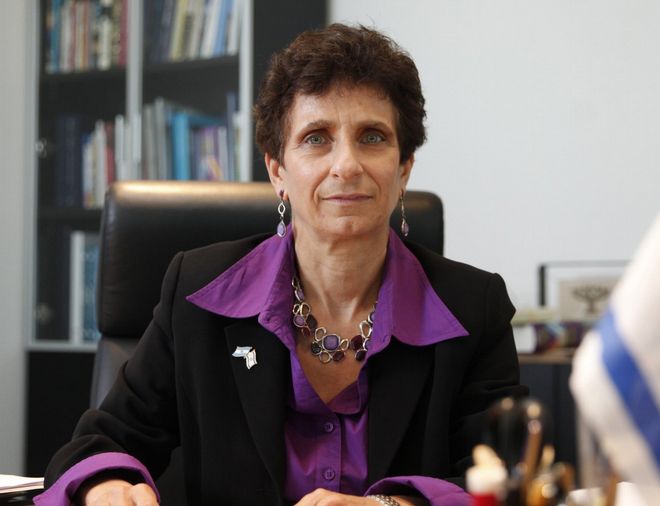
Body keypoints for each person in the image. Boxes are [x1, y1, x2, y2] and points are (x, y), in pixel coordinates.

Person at [36, 24, 526, 506]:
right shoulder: (199, 294)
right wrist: (107, 486)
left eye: (372, 136)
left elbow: (506, 480)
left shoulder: (471, 309)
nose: (346, 165)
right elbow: (104, 441)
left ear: (403, 170)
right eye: (316, 138)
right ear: (277, 171)